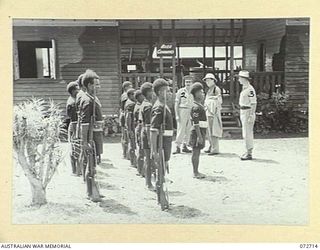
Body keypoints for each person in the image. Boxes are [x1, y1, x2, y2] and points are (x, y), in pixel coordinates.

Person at [79, 69, 103, 200]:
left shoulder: (93, 99)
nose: (98, 87)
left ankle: (93, 190)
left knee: (93, 163)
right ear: (89, 85)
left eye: (99, 84)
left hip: (96, 136)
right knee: (91, 164)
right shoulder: (87, 101)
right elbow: (84, 124)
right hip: (90, 137)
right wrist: (85, 142)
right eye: (96, 84)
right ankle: (90, 192)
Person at [150, 78, 174, 176]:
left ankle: (162, 179)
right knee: (160, 164)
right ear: (160, 92)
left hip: (167, 140)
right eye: (167, 91)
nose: (170, 93)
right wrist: (154, 151)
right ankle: (160, 184)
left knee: (164, 163)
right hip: (162, 141)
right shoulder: (159, 108)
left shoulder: (164, 105)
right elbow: (153, 131)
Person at [236, 70, 257, 160]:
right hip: (243, 111)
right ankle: (247, 150)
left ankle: (249, 153)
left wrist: (251, 115)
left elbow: (253, 103)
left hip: (248, 111)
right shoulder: (244, 88)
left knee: (247, 133)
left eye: (240, 78)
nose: (239, 80)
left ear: (244, 79)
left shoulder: (250, 89)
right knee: (245, 133)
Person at [189, 82, 207, 178]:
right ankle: (195, 172)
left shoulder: (199, 105)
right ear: (196, 94)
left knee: (198, 151)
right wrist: (200, 136)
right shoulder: (195, 107)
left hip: (201, 131)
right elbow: (196, 123)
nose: (203, 94)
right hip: (197, 133)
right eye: (201, 92)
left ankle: (196, 171)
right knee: (195, 152)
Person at [139, 82, 155, 190]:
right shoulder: (148, 106)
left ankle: (148, 181)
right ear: (149, 92)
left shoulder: (144, 104)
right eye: (152, 91)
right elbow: (149, 126)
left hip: (143, 134)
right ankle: (149, 183)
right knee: (149, 160)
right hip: (147, 135)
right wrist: (151, 142)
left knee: (148, 159)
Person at [203, 73, 223, 155]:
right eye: (206, 80)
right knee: (209, 131)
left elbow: (219, 100)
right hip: (208, 111)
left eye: (208, 80)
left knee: (214, 130)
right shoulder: (209, 90)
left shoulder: (216, 89)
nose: (207, 82)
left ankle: (215, 149)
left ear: (213, 80)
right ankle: (211, 146)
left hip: (213, 112)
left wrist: (212, 100)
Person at [173, 75, 193, 154]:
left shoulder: (193, 92)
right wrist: (177, 114)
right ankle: (177, 146)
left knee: (189, 129)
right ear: (184, 83)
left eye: (189, 82)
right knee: (181, 129)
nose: (188, 83)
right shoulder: (181, 91)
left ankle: (185, 145)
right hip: (182, 110)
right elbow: (176, 104)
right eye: (186, 82)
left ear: (192, 83)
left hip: (190, 111)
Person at [66, 81, 80, 175]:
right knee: (74, 148)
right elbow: (72, 116)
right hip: (74, 125)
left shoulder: (74, 100)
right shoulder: (72, 102)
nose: (78, 90)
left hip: (75, 124)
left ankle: (77, 170)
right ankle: (75, 170)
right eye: (77, 89)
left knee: (76, 147)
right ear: (72, 91)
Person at [120, 81, 133, 159]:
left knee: (124, 135)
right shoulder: (125, 96)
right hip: (125, 116)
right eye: (129, 86)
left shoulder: (123, 95)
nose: (131, 88)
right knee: (126, 135)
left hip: (123, 115)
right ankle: (125, 153)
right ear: (125, 87)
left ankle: (125, 153)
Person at [124, 88, 137, 168]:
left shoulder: (128, 102)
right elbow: (128, 117)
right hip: (131, 126)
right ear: (130, 95)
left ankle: (132, 161)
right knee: (132, 144)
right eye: (133, 94)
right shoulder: (131, 104)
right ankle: (133, 162)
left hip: (129, 126)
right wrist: (129, 129)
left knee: (131, 143)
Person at [133, 89, 145, 176]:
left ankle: (140, 169)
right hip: (140, 128)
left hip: (139, 128)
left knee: (141, 150)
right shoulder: (138, 107)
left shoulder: (139, 105)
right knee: (141, 150)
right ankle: (140, 170)